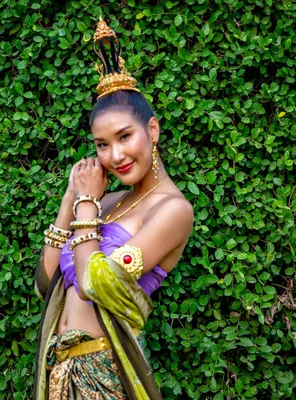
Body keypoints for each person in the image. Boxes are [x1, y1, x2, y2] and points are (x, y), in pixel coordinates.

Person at [33, 18, 194, 400]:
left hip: (105, 375)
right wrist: (70, 199)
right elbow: (45, 285)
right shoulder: (105, 202)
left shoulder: (173, 211)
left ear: (151, 131)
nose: (115, 155)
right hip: (59, 374)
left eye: (124, 136)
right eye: (102, 144)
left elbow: (96, 285)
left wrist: (85, 207)